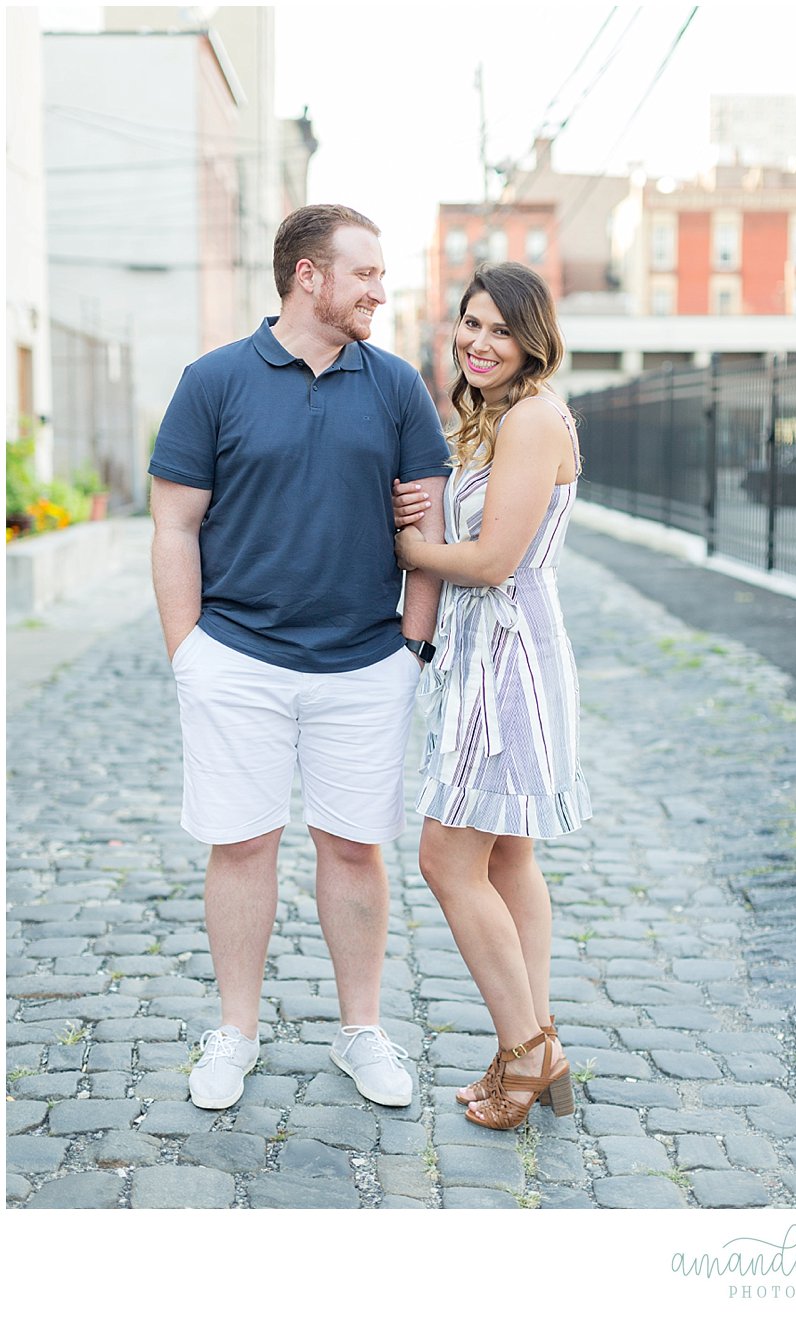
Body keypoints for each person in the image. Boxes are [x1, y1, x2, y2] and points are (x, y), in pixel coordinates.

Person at [150, 203, 450, 1111]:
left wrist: (413, 647)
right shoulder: (213, 381)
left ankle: (360, 1028)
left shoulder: (396, 387)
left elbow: (428, 519)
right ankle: (235, 1031)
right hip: (235, 656)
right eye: (365, 274)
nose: (380, 291)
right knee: (240, 843)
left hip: (364, 662)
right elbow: (173, 523)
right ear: (308, 275)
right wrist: (188, 653)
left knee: (354, 847)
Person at [390, 262, 590, 1128]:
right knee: (506, 858)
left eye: (499, 330)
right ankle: (529, 1041)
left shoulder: (535, 418)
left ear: (531, 340)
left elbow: (492, 562)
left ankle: (529, 1050)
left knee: (446, 858)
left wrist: (410, 547)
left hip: (504, 658)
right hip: (488, 653)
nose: (478, 341)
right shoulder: (501, 416)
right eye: (470, 324)